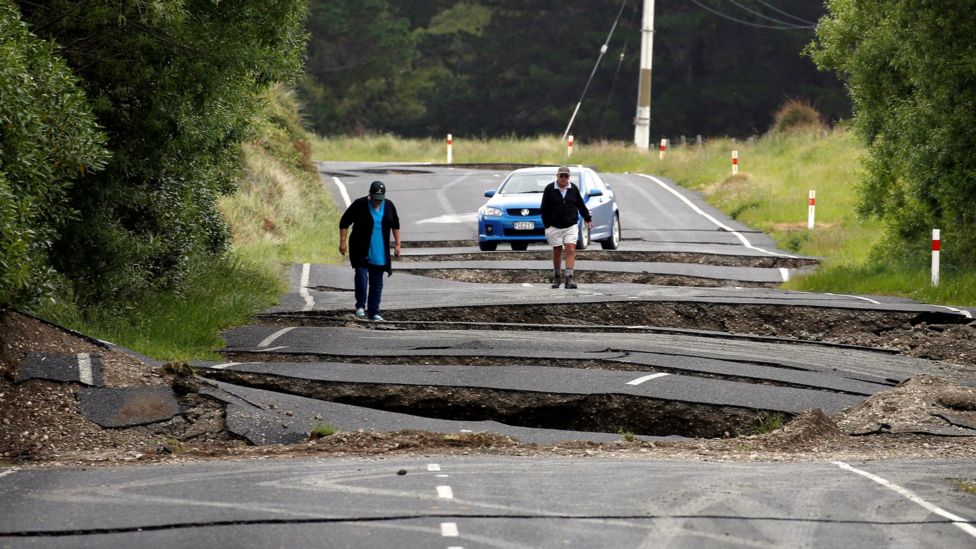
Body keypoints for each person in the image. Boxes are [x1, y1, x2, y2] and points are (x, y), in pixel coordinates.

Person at [338, 180, 401, 320]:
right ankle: (360, 306)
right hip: (360, 247)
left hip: (379, 249)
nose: (377, 202)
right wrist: (342, 242)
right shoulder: (359, 204)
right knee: (361, 275)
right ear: (369, 195)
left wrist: (397, 244)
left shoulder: (389, 205)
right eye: (375, 199)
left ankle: (374, 312)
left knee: (377, 281)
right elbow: (344, 222)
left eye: (380, 199)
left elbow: (395, 224)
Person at [540, 165, 592, 289]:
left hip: (571, 225)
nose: (563, 178)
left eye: (566, 176)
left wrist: (588, 218)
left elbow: (580, 205)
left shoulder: (573, 188)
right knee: (557, 251)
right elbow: (543, 208)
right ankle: (557, 277)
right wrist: (547, 225)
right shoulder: (549, 189)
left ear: (569, 177)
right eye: (561, 175)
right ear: (557, 176)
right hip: (554, 226)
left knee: (570, 249)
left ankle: (569, 278)